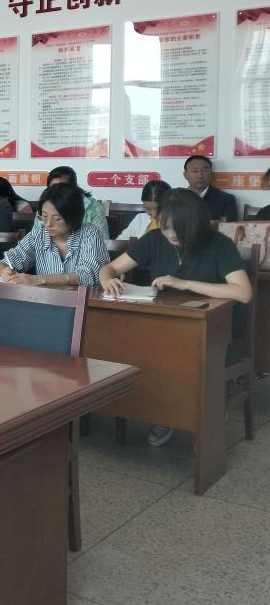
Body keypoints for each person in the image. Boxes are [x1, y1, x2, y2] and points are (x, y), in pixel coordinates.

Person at [100, 188, 252, 447]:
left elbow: (243, 292)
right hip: (166, 325)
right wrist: (107, 280)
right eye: (165, 227)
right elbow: (110, 267)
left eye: (178, 228)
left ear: (195, 223)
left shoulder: (218, 244)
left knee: (171, 354)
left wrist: (184, 283)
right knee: (129, 347)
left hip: (212, 332)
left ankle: (187, 412)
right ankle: (160, 412)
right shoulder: (154, 240)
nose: (171, 234)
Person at [0, 182, 109, 286]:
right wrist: (4, 271)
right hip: (46, 299)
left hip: (81, 299)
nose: (48, 224)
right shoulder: (38, 235)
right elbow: (6, 262)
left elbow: (89, 275)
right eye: (44, 216)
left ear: (74, 217)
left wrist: (40, 279)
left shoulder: (89, 234)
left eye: (57, 219)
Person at [34, 166, 109, 238]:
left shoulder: (94, 207)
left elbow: (102, 239)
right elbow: (35, 237)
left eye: (62, 188)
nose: (48, 224)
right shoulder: (45, 206)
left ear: (74, 189)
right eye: (53, 188)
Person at [183, 155, 238, 221]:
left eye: (204, 170)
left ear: (211, 173)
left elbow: (229, 225)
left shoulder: (226, 200)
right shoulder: (177, 199)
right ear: (185, 175)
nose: (200, 176)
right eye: (195, 171)